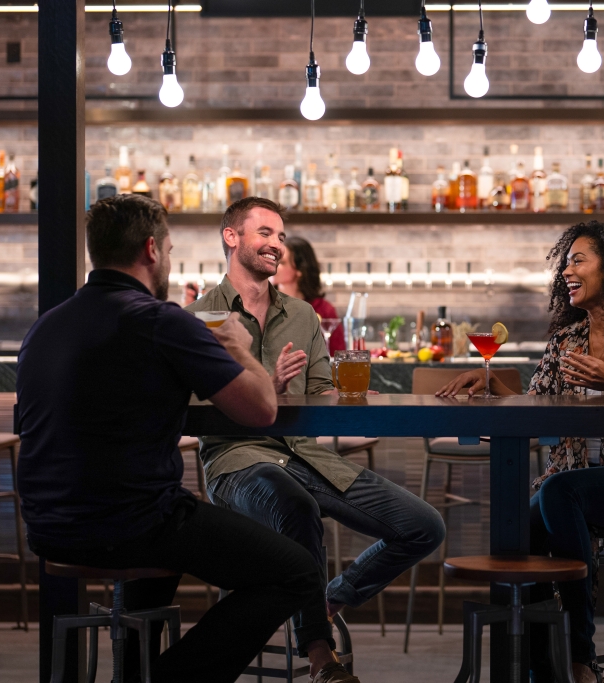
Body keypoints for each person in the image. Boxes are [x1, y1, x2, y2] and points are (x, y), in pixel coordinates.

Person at [16, 194, 323, 683]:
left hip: (48, 527)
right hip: (133, 524)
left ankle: (133, 671)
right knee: (297, 570)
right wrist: (239, 347)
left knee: (165, 518)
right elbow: (261, 409)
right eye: (172, 250)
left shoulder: (45, 327)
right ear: (152, 250)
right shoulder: (162, 321)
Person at [188, 197, 445, 683]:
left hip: (306, 457)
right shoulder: (200, 317)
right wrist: (267, 386)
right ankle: (320, 654)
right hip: (238, 461)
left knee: (423, 525)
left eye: (281, 237)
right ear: (232, 237)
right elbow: (193, 406)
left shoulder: (303, 316)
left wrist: (350, 396)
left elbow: (322, 389)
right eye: (265, 233)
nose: (276, 245)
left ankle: (325, 597)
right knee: (297, 507)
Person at [437, 221, 604, 683]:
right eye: (565, 262)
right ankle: (549, 669)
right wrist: (491, 384)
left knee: (560, 492)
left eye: (578, 260)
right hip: (576, 483)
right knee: (519, 528)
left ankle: (581, 657)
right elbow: (537, 410)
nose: (566, 270)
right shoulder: (568, 340)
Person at [272, 235, 344, 354]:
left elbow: (337, 354)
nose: (274, 265)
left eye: (282, 262)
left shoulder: (324, 310)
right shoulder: (265, 304)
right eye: (275, 259)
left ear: (300, 269)